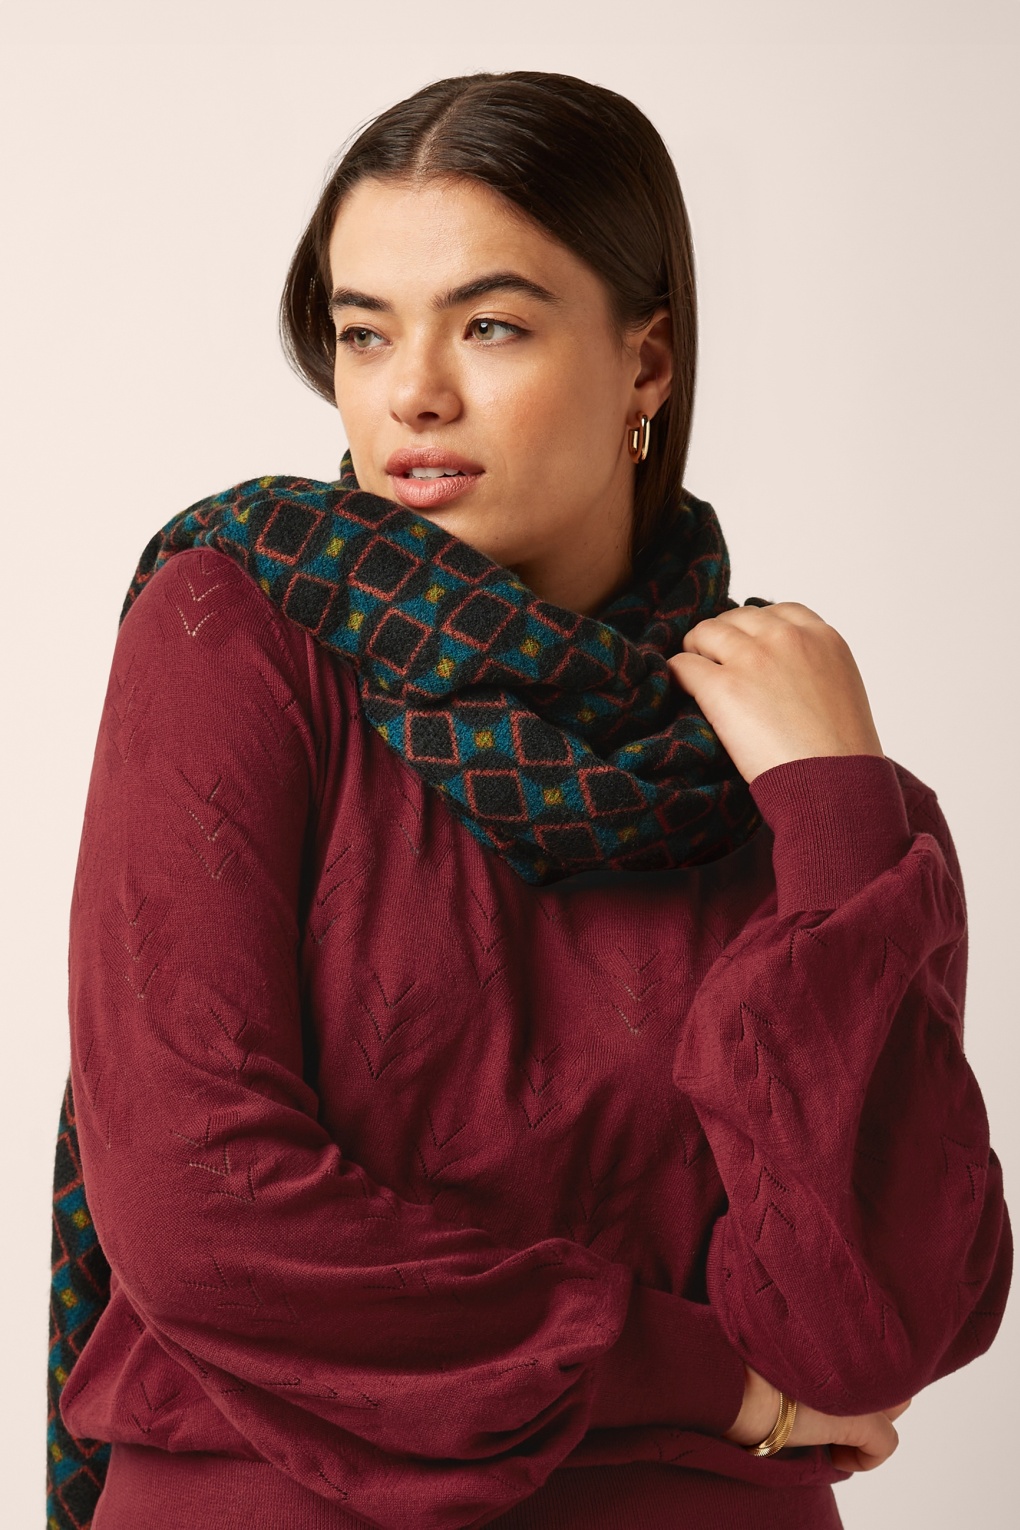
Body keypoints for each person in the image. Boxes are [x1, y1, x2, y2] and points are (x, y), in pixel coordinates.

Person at [46, 70, 1011, 1530]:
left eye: (489, 324)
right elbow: (202, 1218)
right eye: (365, 332)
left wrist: (836, 810)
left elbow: (868, 1337)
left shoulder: (794, 769)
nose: (412, 392)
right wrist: (716, 1382)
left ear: (647, 362)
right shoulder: (237, 632)